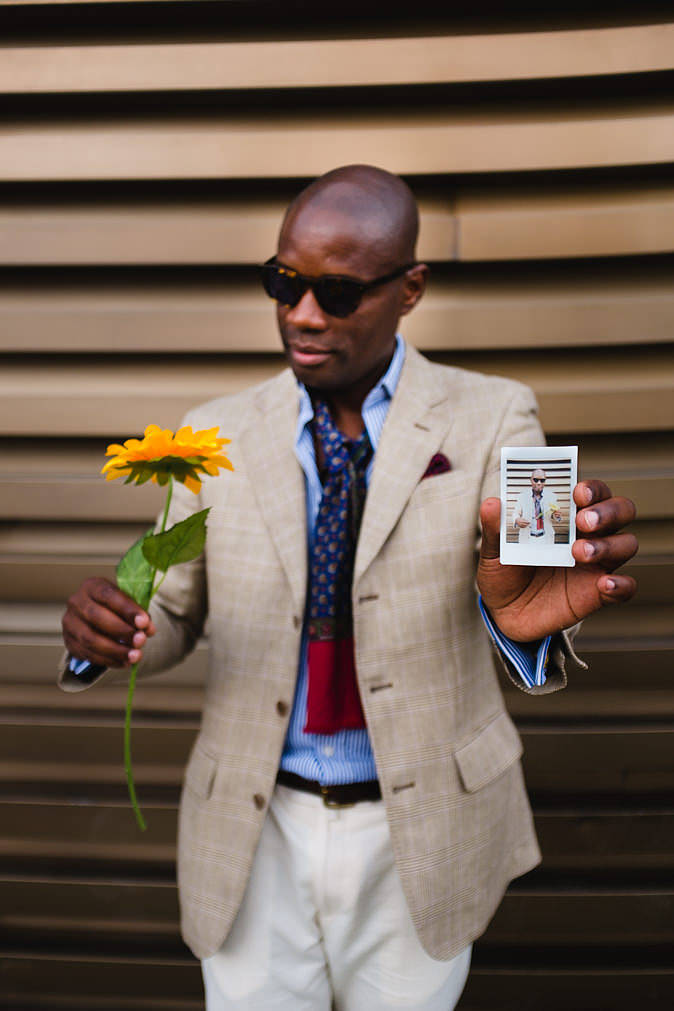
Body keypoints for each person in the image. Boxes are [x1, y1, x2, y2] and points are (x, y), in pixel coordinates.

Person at [60, 165, 637, 1011]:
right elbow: (173, 613)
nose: (301, 314)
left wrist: (525, 628)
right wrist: (109, 633)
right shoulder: (211, 430)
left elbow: (535, 589)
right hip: (255, 825)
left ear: (411, 289)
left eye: (336, 292)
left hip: (426, 827)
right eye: (282, 282)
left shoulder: (504, 414)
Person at [513, 468, 563, 545]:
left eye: (542, 480)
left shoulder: (552, 496)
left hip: (546, 538)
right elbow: (516, 513)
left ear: (545, 481)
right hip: (527, 538)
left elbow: (553, 515)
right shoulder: (522, 496)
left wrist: (557, 516)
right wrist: (517, 520)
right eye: (536, 480)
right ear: (531, 480)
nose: (539, 483)